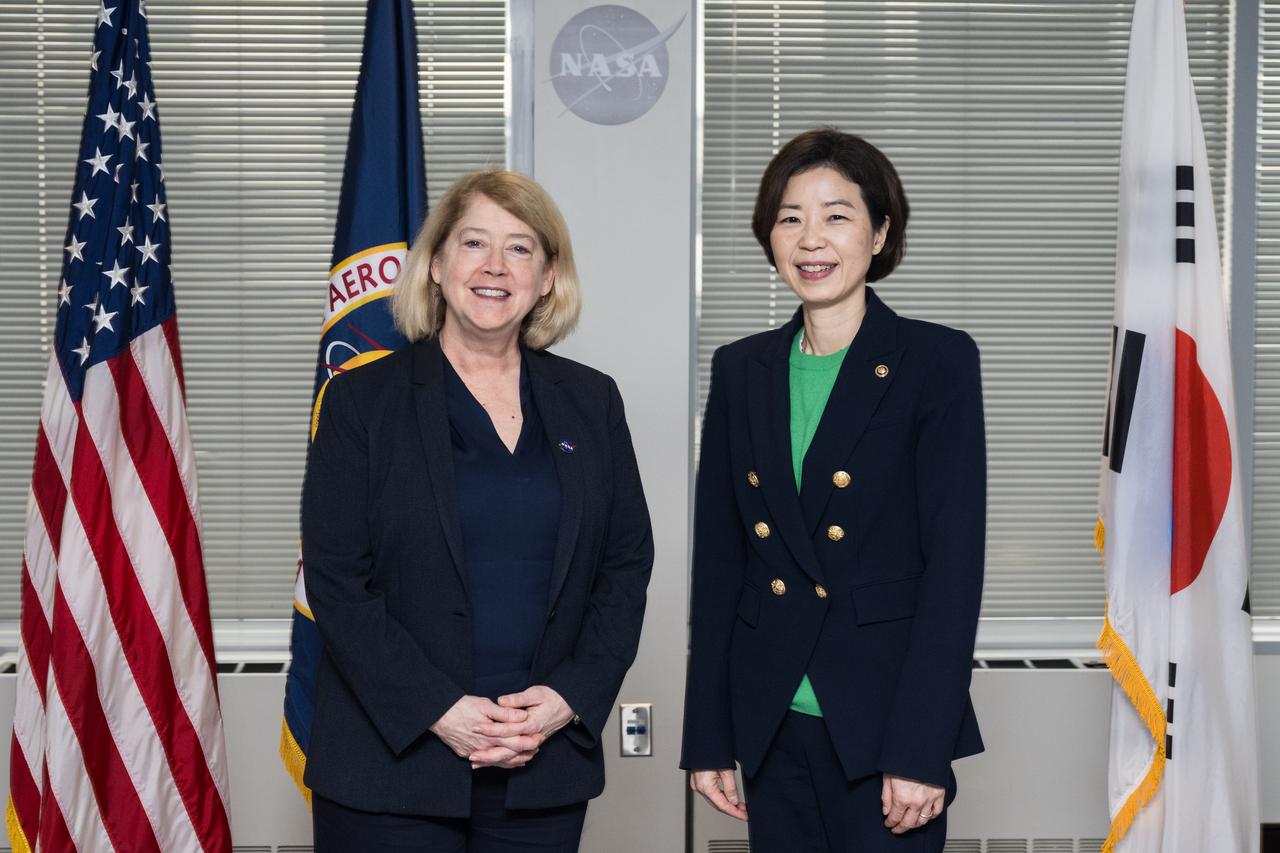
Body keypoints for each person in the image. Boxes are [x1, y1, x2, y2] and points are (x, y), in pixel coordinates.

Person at [301, 169, 654, 852]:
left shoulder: (592, 401)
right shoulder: (359, 403)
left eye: (520, 248)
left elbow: (624, 565)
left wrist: (568, 698)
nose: (495, 267)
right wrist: (438, 709)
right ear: (436, 264)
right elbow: (339, 581)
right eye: (473, 243)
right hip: (389, 769)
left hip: (540, 764)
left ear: (548, 275)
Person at [680, 128, 986, 852]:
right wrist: (707, 736)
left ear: (880, 233)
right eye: (790, 217)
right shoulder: (740, 368)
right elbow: (721, 564)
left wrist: (919, 748)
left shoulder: (935, 360)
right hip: (770, 719)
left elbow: (953, 569)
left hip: (882, 728)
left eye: (837, 215)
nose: (811, 238)